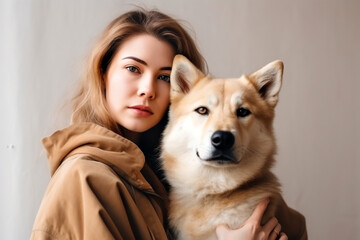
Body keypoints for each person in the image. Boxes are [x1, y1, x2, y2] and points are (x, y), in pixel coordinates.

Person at [31, 9, 287, 240]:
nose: (148, 90)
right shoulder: (84, 177)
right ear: (103, 73)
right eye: (133, 68)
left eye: (164, 76)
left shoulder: (157, 174)